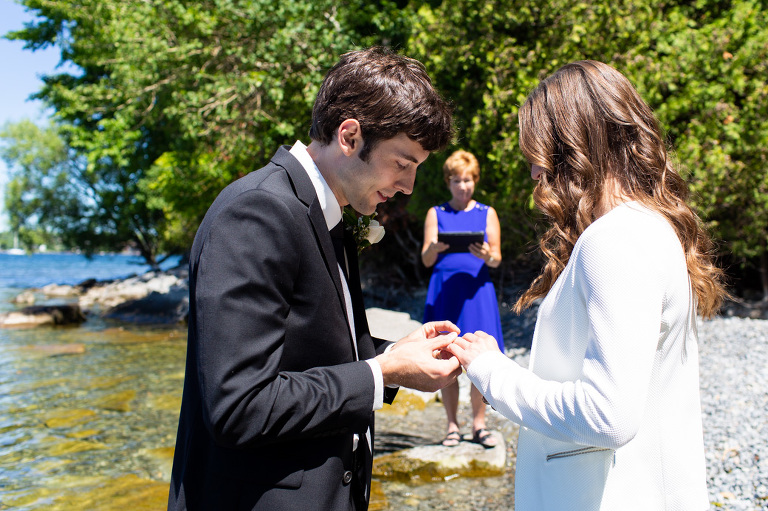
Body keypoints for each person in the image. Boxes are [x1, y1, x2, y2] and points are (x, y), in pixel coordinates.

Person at [168, 46, 462, 511]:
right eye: (402, 164)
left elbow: (315, 352)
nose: (408, 187)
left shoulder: (328, 213)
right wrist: (381, 372)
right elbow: (240, 406)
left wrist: (397, 355)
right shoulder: (257, 212)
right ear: (349, 136)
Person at [446, 60, 729, 510]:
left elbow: (607, 415)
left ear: (574, 147)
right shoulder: (646, 228)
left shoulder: (616, 239)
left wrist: (494, 372)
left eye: (537, 156)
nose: (535, 174)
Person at [421, 150, 503, 448]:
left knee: (482, 358)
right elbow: (426, 260)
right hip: (444, 291)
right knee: (446, 357)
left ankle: (479, 424)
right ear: (448, 182)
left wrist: (487, 255)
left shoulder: (487, 212)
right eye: (457, 180)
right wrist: (435, 247)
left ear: (475, 181)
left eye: (467, 180)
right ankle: (452, 425)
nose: (463, 186)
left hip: (476, 292)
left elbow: (496, 259)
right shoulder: (436, 213)